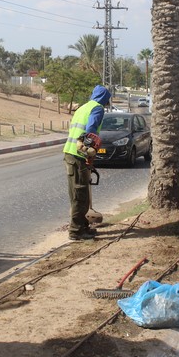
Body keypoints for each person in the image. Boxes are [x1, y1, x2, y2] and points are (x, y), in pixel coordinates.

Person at [63, 85, 111, 241]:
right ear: (104, 99)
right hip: (79, 155)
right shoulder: (97, 108)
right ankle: (76, 231)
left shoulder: (83, 107)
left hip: (70, 153)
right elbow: (90, 129)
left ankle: (83, 225)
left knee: (77, 193)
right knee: (80, 194)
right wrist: (89, 150)